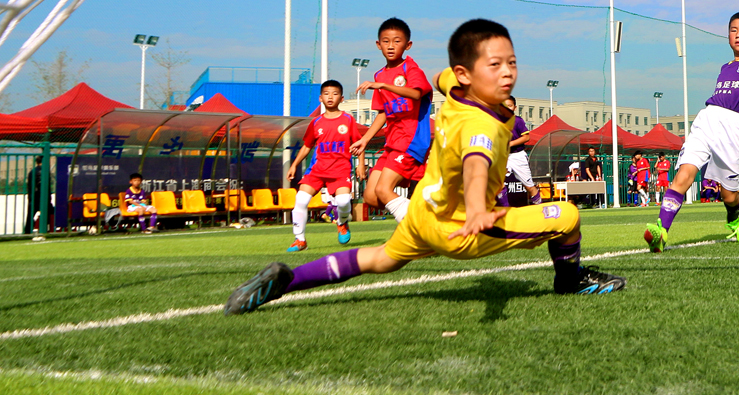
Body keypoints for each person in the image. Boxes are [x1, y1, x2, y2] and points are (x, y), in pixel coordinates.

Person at [224, 18, 624, 315]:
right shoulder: (481, 125)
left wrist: (454, 79)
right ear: (469, 74)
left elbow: (437, 77)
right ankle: (569, 282)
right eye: (494, 65)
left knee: (378, 259)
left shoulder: (455, 87)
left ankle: (287, 280)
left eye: (511, 63)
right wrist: (479, 209)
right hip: (459, 229)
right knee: (568, 215)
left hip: (421, 217)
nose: (506, 72)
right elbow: (476, 164)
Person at [644, 7, 739, 250]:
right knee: (683, 174)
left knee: (729, 195)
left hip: (732, 127)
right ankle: (661, 231)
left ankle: (735, 219)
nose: (738, 34)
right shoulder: (725, 67)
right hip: (706, 120)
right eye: (733, 30)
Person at [351, 18, 432, 223]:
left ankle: (417, 232)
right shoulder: (379, 75)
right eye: (386, 41)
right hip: (392, 142)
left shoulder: (410, 69)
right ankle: (422, 215)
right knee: (371, 197)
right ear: (378, 45)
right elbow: (383, 113)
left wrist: (383, 86)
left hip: (411, 140)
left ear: (408, 45)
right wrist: (365, 139)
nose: (391, 46)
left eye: (397, 41)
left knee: (383, 189)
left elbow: (415, 94)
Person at [283, 80, 357, 251]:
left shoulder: (348, 120)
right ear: (320, 98)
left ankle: (342, 222)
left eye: (335, 93)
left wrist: (360, 165)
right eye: (326, 94)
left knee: (344, 201)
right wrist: (294, 165)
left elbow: (358, 143)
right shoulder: (316, 122)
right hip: (317, 170)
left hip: (340, 170)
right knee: (300, 200)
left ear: (342, 98)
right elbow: (307, 146)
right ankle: (300, 240)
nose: (330, 97)